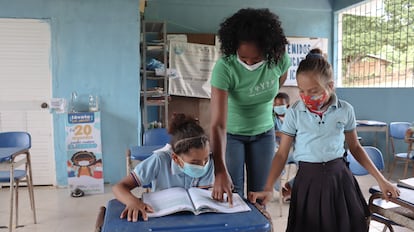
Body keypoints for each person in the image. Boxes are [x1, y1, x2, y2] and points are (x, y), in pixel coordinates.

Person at [248, 48, 399, 231]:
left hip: (339, 179)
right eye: (301, 90)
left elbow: (356, 148)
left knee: (347, 224)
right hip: (308, 181)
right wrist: (268, 186)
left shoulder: (344, 110)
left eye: (313, 91)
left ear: (330, 86)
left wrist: (382, 180)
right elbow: (281, 155)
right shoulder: (295, 112)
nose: (306, 97)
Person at [210, 8, 291, 204]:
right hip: (232, 135)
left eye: (256, 59)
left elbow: (276, 86)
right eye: (243, 58)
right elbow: (218, 124)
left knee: (261, 195)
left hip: (264, 132)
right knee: (233, 195)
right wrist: (220, 170)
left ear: (268, 51)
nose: (249, 63)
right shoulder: (225, 67)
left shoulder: (279, 60)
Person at [112, 113, 214, 222]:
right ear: (175, 158)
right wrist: (132, 201)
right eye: (195, 162)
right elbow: (119, 187)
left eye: (206, 159)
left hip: (196, 220)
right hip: (163, 218)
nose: (203, 165)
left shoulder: (210, 163)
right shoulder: (159, 160)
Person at [272, 92, 295, 202]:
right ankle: (282, 190)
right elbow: (268, 133)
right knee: (272, 166)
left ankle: (289, 186)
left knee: (306, 163)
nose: (277, 108)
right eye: (275, 105)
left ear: (288, 106)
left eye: (280, 105)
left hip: (291, 152)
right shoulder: (271, 117)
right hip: (276, 151)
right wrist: (280, 133)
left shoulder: (293, 117)